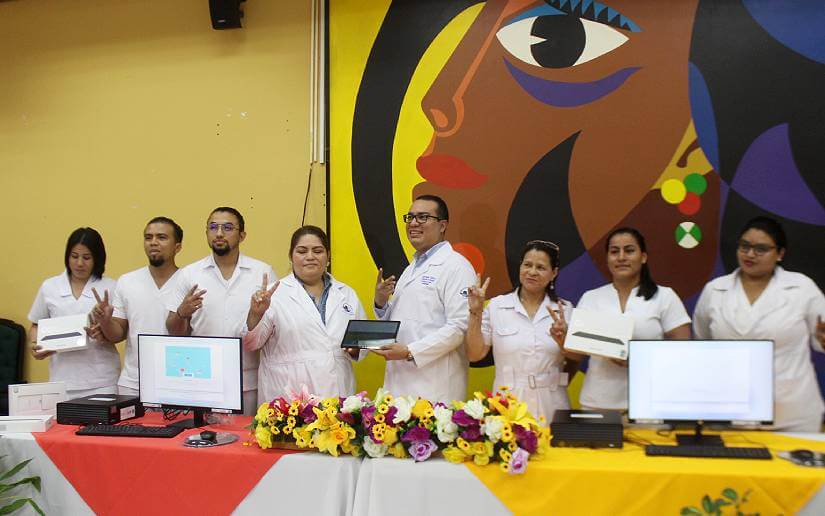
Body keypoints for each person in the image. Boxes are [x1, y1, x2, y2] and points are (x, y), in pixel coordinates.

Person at [693, 216, 825, 432]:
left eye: (761, 249)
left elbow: (821, 339)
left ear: (780, 254)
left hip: (792, 413)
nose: (750, 254)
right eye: (745, 246)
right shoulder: (715, 290)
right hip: (728, 409)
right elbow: (703, 343)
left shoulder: (802, 288)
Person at [166, 207, 275, 415]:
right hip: (202, 380)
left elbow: (273, 328)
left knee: (246, 435)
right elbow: (172, 329)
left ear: (242, 235)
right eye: (213, 227)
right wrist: (181, 313)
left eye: (227, 228)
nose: (219, 233)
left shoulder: (262, 272)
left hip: (247, 381)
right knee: (202, 435)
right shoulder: (190, 274)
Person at [242, 226, 366, 404]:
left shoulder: (346, 294)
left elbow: (361, 345)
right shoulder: (273, 294)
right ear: (291, 256)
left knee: (335, 421)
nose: (310, 256)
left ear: (328, 256)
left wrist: (356, 349)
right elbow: (251, 343)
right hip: (288, 398)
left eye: (318, 251)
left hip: (337, 393)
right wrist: (256, 313)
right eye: (302, 251)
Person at [373, 194, 477, 403]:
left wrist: (410, 351)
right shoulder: (412, 267)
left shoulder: (457, 267)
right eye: (410, 217)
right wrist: (381, 303)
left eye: (423, 217)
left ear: (442, 225)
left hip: (435, 386)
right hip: (400, 384)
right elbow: (405, 322)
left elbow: (459, 327)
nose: (413, 223)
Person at [573, 227, 691, 411]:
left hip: (649, 403)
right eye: (614, 252)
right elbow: (576, 354)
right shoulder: (591, 298)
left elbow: (683, 351)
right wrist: (562, 339)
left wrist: (638, 359)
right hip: (596, 403)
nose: (621, 257)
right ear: (607, 259)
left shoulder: (664, 296)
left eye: (629, 250)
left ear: (643, 257)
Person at [465, 240, 577, 421]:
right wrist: (475, 313)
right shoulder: (497, 306)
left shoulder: (564, 309)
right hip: (507, 403)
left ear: (554, 273)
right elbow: (474, 354)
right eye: (527, 265)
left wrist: (563, 340)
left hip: (552, 403)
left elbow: (577, 357)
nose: (532, 272)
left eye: (541, 267)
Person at [89, 217, 184, 397]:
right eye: (148, 237)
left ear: (177, 247)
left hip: (179, 382)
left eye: (162, 237)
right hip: (133, 383)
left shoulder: (189, 280)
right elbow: (117, 334)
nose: (153, 242)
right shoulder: (127, 281)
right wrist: (105, 321)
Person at [28, 227, 119, 399]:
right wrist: (35, 344)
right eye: (74, 256)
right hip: (62, 378)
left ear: (97, 258)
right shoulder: (50, 287)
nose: (79, 263)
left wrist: (103, 331)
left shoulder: (110, 287)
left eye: (87, 257)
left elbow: (119, 331)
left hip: (101, 380)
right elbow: (35, 324)